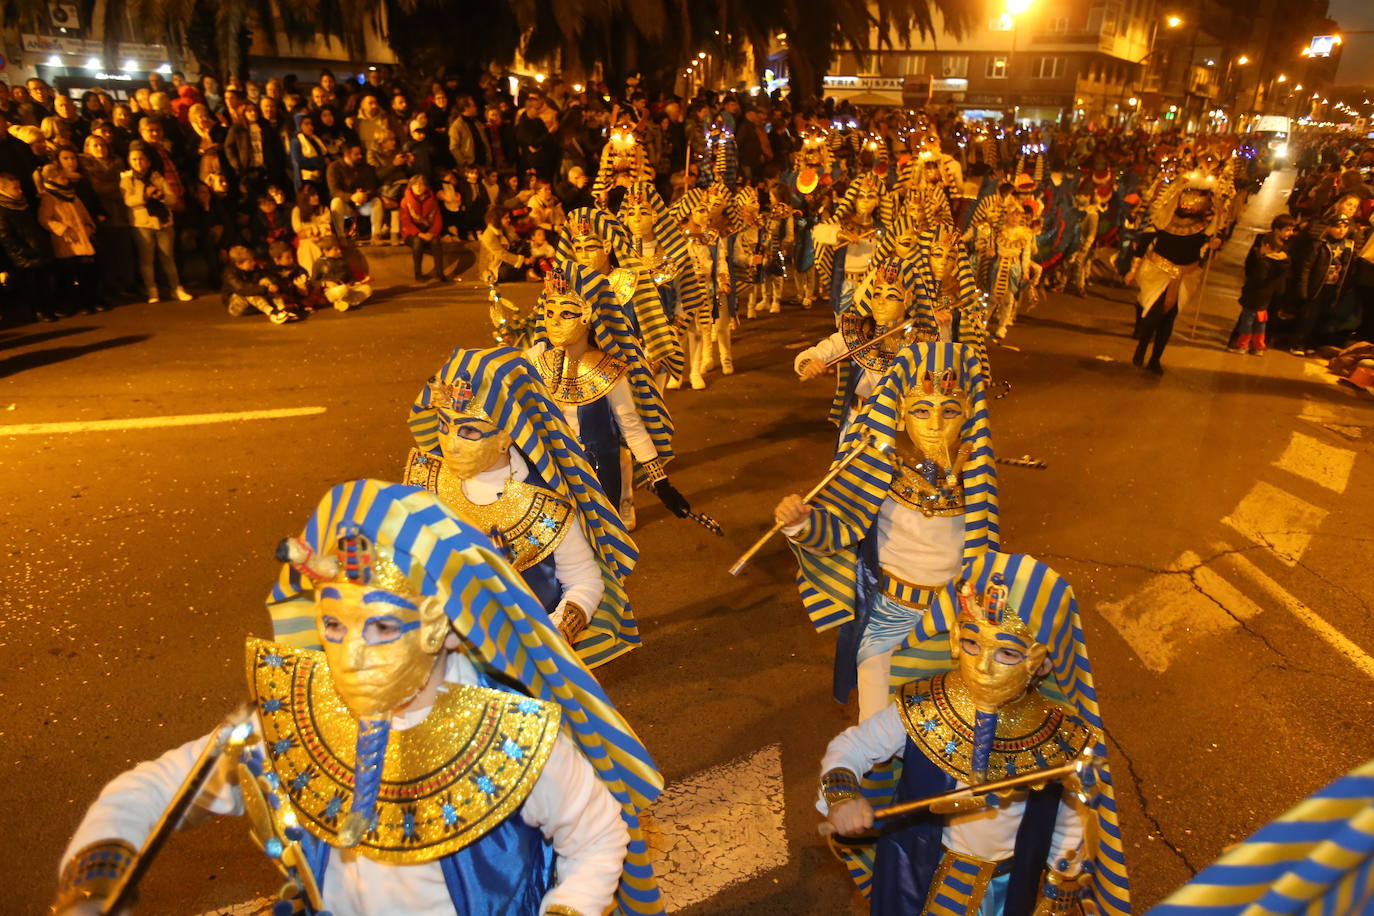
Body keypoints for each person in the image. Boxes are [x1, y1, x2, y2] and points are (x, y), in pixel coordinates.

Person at [55, 480, 663, 916]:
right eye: (334, 628)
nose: (349, 659)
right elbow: (154, 788)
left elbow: (597, 836)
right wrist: (99, 874)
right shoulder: (296, 724)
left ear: (435, 625)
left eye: (380, 629)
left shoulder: (513, 736)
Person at [817, 553, 1130, 916]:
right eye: (971, 643)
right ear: (954, 639)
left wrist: (1063, 877)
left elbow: (1069, 819)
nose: (983, 665)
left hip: (1006, 889)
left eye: (1008, 653)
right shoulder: (925, 707)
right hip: (918, 876)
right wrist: (842, 794)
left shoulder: (1061, 737)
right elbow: (854, 746)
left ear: (1042, 662)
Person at [774, 343, 999, 721]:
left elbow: (985, 560)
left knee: (944, 731)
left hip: (951, 627)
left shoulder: (977, 482)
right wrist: (800, 521)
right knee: (876, 727)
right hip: (887, 618)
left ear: (970, 414)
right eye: (922, 410)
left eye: (950, 411)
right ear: (901, 412)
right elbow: (837, 530)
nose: (935, 424)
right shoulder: (881, 470)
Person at [404, 346, 642, 667]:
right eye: (443, 426)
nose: (451, 445)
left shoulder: (546, 500)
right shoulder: (426, 482)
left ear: (506, 435)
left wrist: (558, 635)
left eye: (469, 431)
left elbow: (585, 580)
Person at [525, 263, 690, 530]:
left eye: (566, 313)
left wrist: (661, 483)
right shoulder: (534, 362)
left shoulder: (609, 370)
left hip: (598, 478)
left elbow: (632, 428)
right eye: (549, 312)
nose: (554, 321)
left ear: (586, 316)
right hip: (549, 475)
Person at [794, 258, 928, 438]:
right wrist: (809, 363)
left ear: (907, 301)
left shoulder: (921, 342)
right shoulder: (857, 333)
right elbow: (812, 354)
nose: (881, 302)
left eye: (891, 296)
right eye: (877, 294)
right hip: (856, 422)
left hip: (899, 431)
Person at [1124, 173, 1224, 374]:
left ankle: (1156, 359)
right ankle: (1142, 347)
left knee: (1169, 319)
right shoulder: (1164, 220)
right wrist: (1133, 270)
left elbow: (1204, 255)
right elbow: (1143, 244)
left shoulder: (1206, 227)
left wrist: (1213, 246)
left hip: (1186, 275)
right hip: (1157, 272)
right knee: (1152, 314)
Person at [121, 142, 192, 303]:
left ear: (148, 161)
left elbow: (172, 198)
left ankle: (176, 288)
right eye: (134, 160)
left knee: (168, 257)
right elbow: (128, 200)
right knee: (147, 259)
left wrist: (160, 195)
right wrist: (144, 195)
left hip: (163, 222)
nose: (138, 163)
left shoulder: (156, 177)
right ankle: (152, 290)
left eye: (141, 159)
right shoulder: (127, 179)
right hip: (142, 223)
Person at [38, 162, 106, 316]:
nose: (67, 181)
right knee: (69, 274)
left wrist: (89, 226)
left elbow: (83, 213)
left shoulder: (72, 195)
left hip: (82, 237)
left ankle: (90, 301)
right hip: (66, 241)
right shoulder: (48, 198)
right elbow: (45, 219)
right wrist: (62, 229)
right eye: (62, 178)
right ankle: (73, 303)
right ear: (51, 179)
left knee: (87, 272)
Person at [1288, 214, 1356, 356]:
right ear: (1329, 227)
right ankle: (1298, 343)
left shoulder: (1348, 246)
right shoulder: (1320, 244)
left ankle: (1311, 343)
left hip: (1333, 287)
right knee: (1308, 317)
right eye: (1337, 227)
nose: (1341, 230)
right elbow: (1306, 268)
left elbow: (1347, 268)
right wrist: (1303, 289)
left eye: (1345, 227)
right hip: (1317, 286)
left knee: (1323, 316)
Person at [1228, 213, 1295, 356]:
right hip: (1261, 290)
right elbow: (1250, 262)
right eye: (1288, 229)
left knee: (1254, 319)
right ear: (1277, 229)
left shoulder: (1288, 246)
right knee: (1254, 319)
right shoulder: (1263, 240)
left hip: (1269, 290)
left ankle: (1249, 344)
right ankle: (1250, 343)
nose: (1291, 233)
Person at [0, 170, 57, 323]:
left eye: (19, 187)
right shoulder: (3, 209)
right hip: (22, 255)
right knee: (32, 285)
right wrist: (24, 251)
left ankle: (46, 308)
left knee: (43, 281)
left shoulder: (23, 203)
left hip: (36, 247)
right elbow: (6, 236)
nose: (20, 191)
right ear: (3, 189)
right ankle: (37, 310)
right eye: (15, 188)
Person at [221, 244, 297, 323]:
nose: (253, 263)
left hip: (254, 300)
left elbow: (266, 275)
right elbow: (242, 288)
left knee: (265, 281)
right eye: (250, 262)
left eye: (253, 260)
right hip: (237, 304)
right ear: (239, 264)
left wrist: (273, 284)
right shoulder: (229, 273)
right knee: (249, 291)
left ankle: (282, 308)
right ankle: (272, 313)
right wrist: (265, 289)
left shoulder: (253, 268)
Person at [325, 142, 381, 242]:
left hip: (364, 204)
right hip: (346, 205)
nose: (360, 156)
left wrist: (365, 195)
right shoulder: (334, 167)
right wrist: (351, 197)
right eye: (356, 154)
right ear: (347, 154)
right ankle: (341, 236)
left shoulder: (366, 167)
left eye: (360, 154)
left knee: (377, 202)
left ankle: (376, 235)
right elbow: (334, 191)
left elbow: (373, 186)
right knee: (335, 203)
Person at [398, 173, 446, 282]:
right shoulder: (406, 201)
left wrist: (432, 233)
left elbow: (438, 220)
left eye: (421, 185)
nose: (418, 188)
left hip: (428, 232)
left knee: (436, 241)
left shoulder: (433, 201)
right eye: (415, 185)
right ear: (411, 186)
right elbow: (406, 222)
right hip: (412, 234)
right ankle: (418, 274)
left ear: (426, 186)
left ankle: (440, 274)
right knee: (417, 241)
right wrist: (419, 233)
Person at [310, 235, 372, 310]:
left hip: (346, 288)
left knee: (367, 289)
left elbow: (349, 275)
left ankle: (344, 302)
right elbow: (313, 281)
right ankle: (345, 301)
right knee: (341, 290)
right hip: (332, 290)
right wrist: (325, 283)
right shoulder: (319, 263)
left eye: (339, 248)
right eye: (335, 249)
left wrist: (353, 283)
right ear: (325, 251)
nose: (339, 251)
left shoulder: (341, 260)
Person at [477, 205, 526, 284]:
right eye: (506, 218)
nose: (509, 220)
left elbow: (516, 241)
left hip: (506, 259)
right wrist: (523, 260)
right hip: (495, 265)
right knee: (507, 272)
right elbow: (502, 254)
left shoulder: (504, 228)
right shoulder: (489, 235)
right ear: (497, 219)